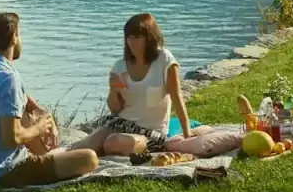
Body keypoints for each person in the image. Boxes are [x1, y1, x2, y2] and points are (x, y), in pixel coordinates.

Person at [66, 13, 241, 159]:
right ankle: (51, 160)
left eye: (137, 37)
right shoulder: (120, 66)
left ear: (149, 38)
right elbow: (115, 109)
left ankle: (120, 149)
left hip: (149, 132)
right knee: (84, 145)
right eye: (129, 37)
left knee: (113, 142)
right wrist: (113, 90)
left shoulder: (164, 60)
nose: (131, 42)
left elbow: (177, 97)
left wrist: (187, 133)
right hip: (119, 123)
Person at [0, 12, 100, 187]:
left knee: (23, 114)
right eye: (19, 34)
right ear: (14, 38)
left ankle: (49, 157)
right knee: (89, 158)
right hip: (4, 172)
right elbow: (11, 139)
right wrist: (39, 127)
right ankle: (48, 160)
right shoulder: (9, 78)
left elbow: (20, 98)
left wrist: (44, 115)